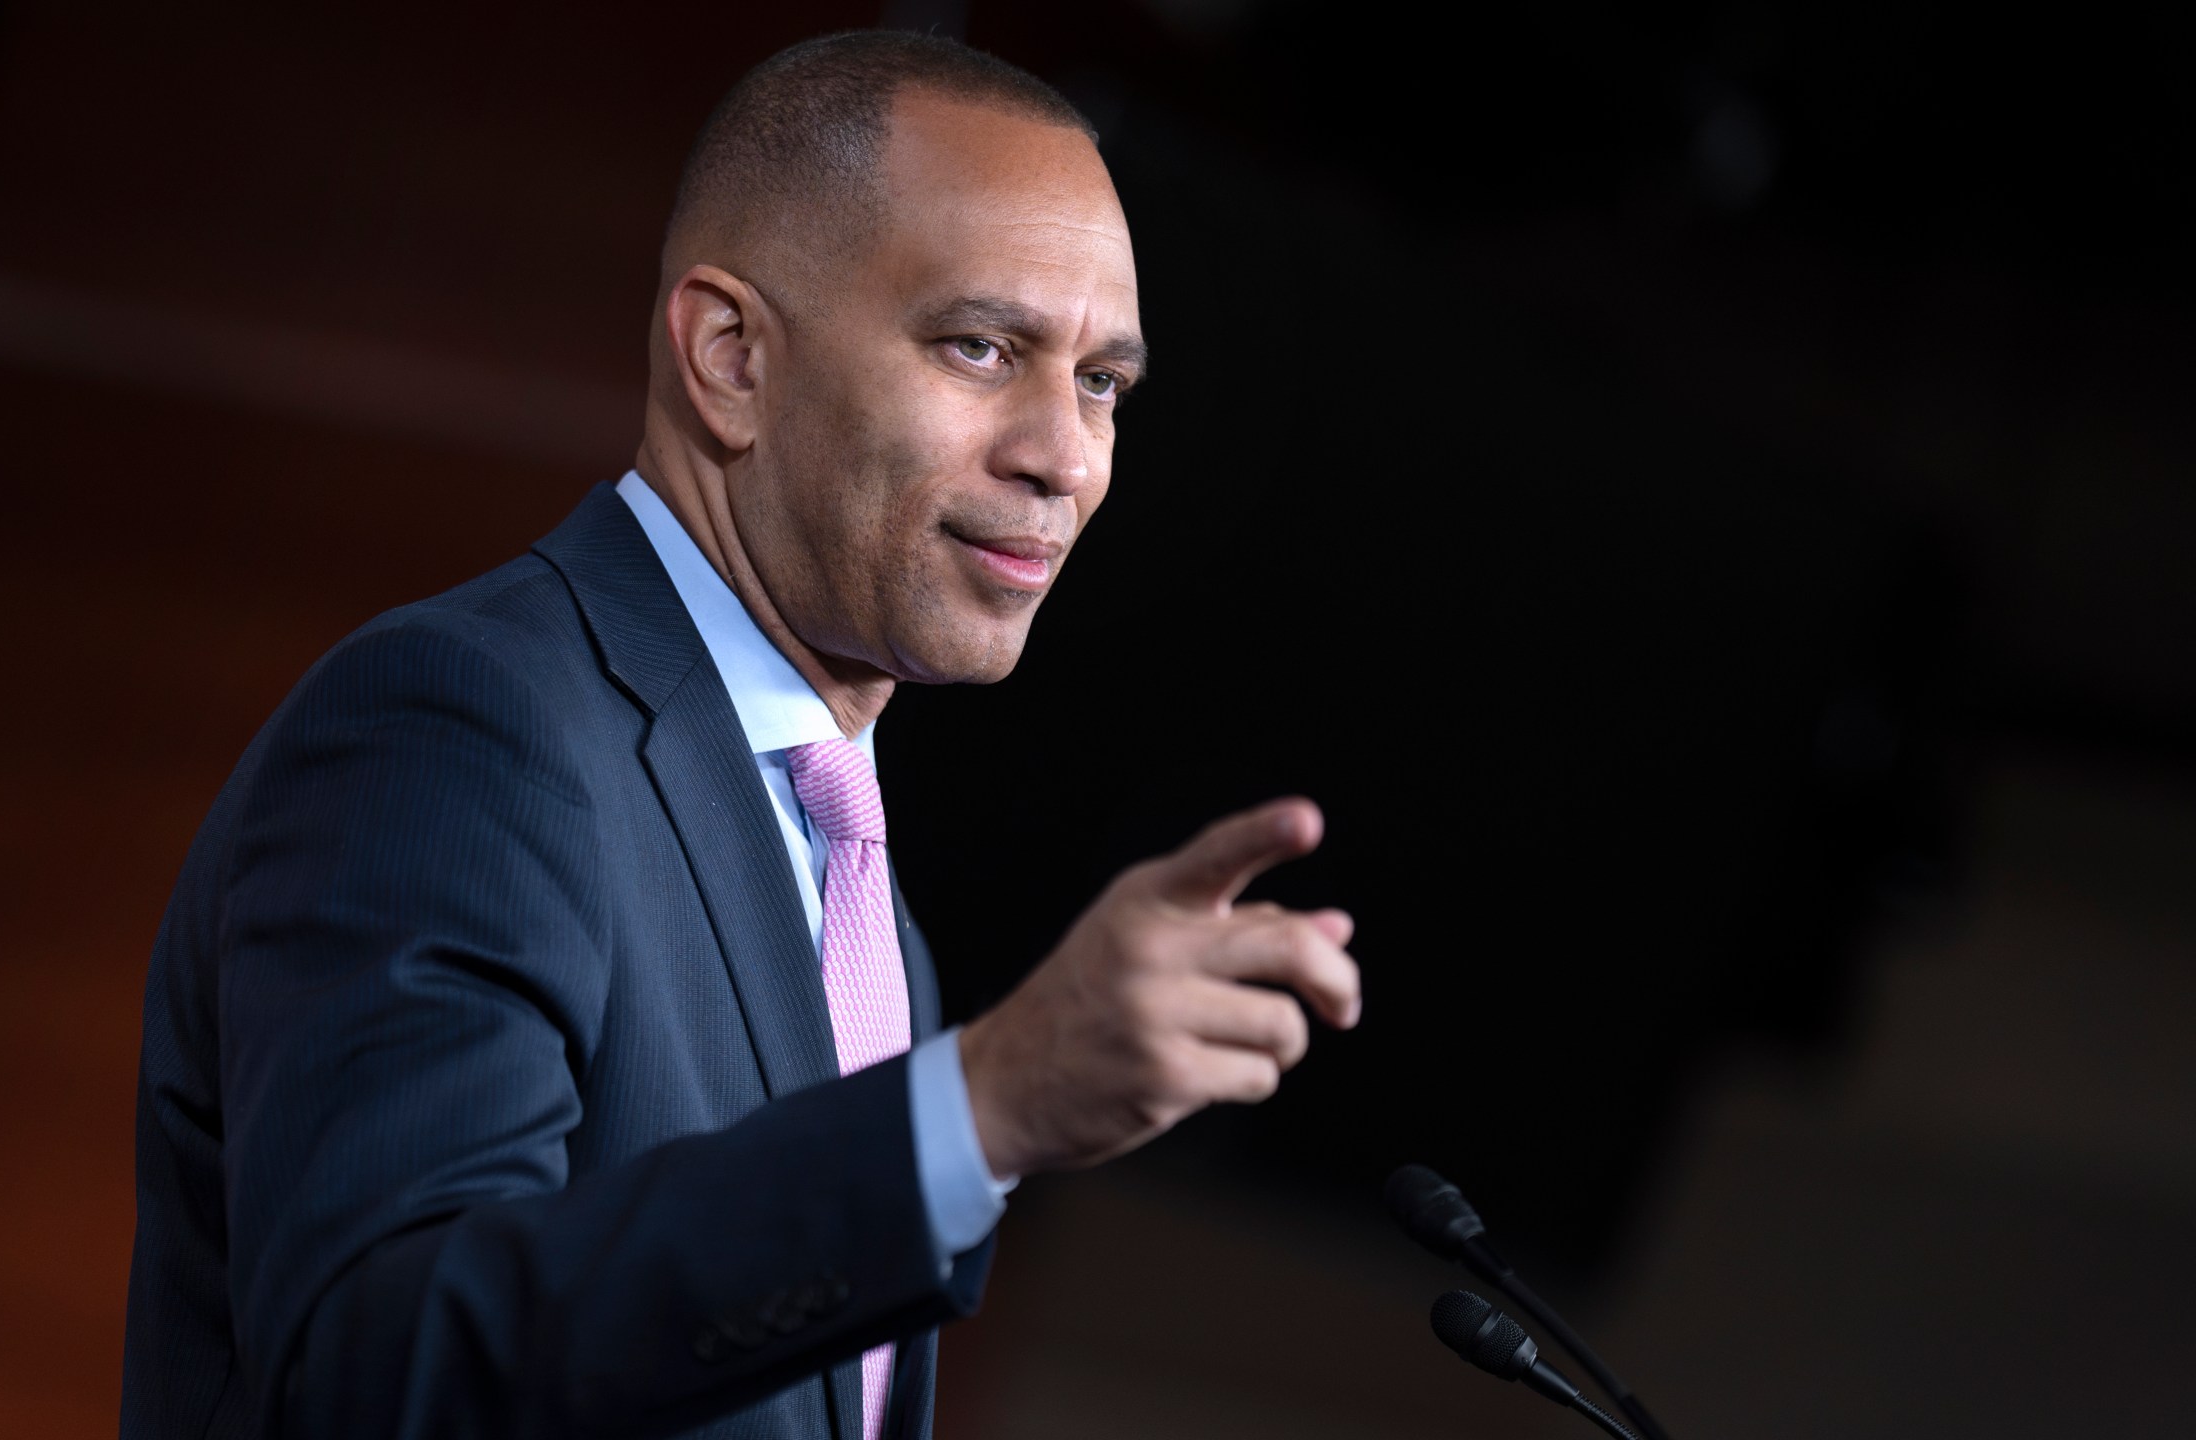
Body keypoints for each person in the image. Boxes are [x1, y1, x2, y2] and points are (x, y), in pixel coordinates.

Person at [120, 29, 1361, 1440]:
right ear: (730, 357)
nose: (1065, 457)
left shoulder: (869, 908)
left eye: (1101, 384)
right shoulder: (461, 727)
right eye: (981, 346)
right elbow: (381, 1373)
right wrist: (986, 1108)